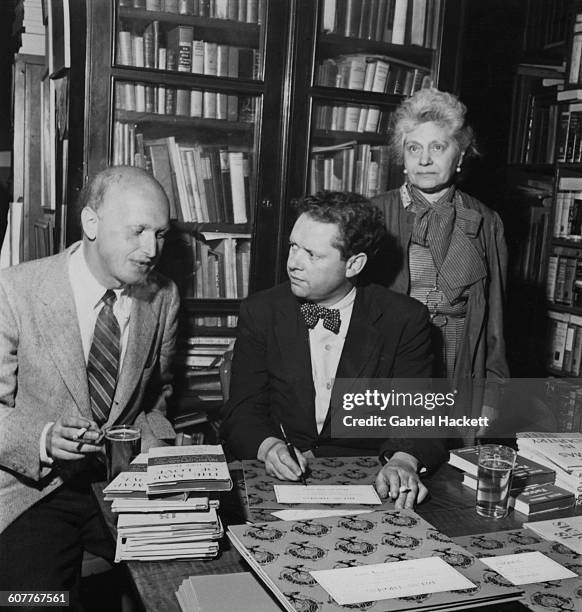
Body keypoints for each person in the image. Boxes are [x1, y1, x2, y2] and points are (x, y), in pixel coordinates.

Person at [0, 166, 178, 607]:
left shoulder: (163, 296)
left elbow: (158, 396)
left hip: (123, 485)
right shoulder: (13, 290)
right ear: (91, 223)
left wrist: (149, 447)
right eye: (137, 231)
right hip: (33, 490)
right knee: (31, 602)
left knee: (185, 584)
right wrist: (42, 438)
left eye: (160, 234)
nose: (150, 249)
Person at [220, 191, 447, 510]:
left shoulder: (403, 319)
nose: (293, 263)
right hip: (278, 479)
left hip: (368, 477)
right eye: (293, 246)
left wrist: (404, 461)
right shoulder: (262, 311)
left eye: (312, 255)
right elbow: (242, 409)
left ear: (354, 264)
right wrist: (268, 447)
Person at [372, 88, 509, 439]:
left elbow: (495, 318)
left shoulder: (486, 220)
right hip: (393, 364)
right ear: (402, 156)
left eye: (438, 147)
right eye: (414, 148)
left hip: (459, 361)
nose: (424, 160)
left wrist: (493, 395)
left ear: (460, 156)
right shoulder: (373, 214)